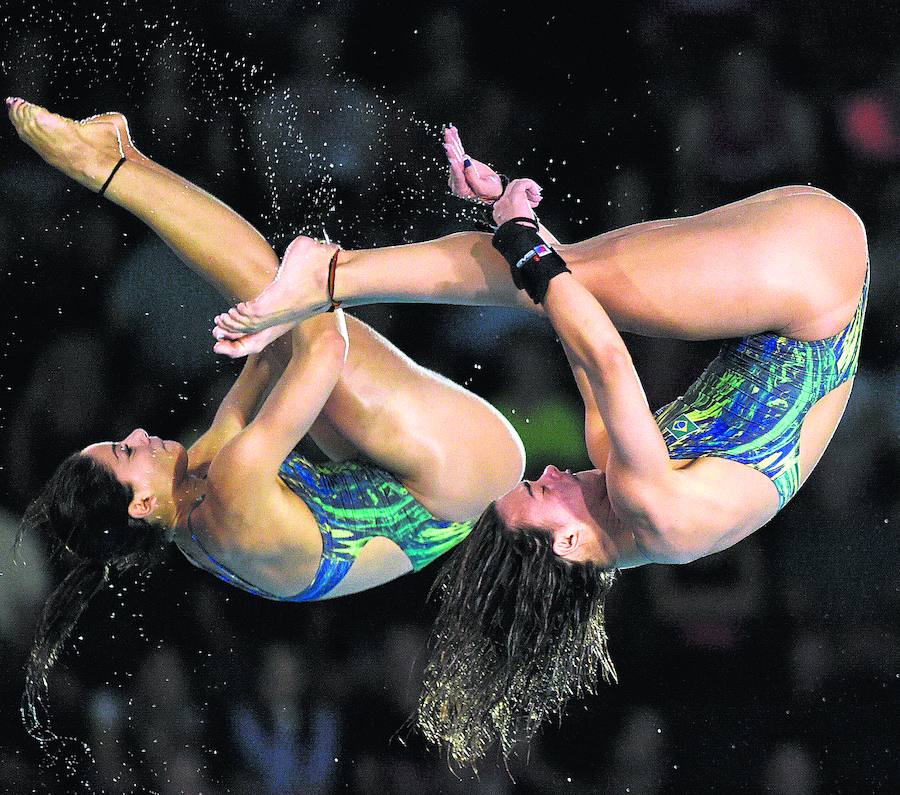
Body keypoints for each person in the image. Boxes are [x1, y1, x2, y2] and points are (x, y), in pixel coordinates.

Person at [213, 127, 869, 764]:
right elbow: (606, 354)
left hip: (802, 269)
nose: (550, 471)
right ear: (572, 545)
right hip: (814, 278)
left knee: (555, 274)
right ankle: (329, 274)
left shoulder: (621, 491)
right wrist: (519, 236)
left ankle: (332, 273)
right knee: (555, 271)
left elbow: (570, 313)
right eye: (541, 492)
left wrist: (510, 217)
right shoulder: (652, 507)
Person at [6, 99, 525, 740]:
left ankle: (121, 161)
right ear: (140, 502)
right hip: (461, 472)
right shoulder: (228, 496)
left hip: (403, 480)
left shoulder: (189, 511)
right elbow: (324, 346)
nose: (138, 433)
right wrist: (305, 288)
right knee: (289, 293)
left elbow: (257, 382)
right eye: (124, 449)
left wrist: (262, 324)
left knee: (266, 297)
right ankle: (110, 166)